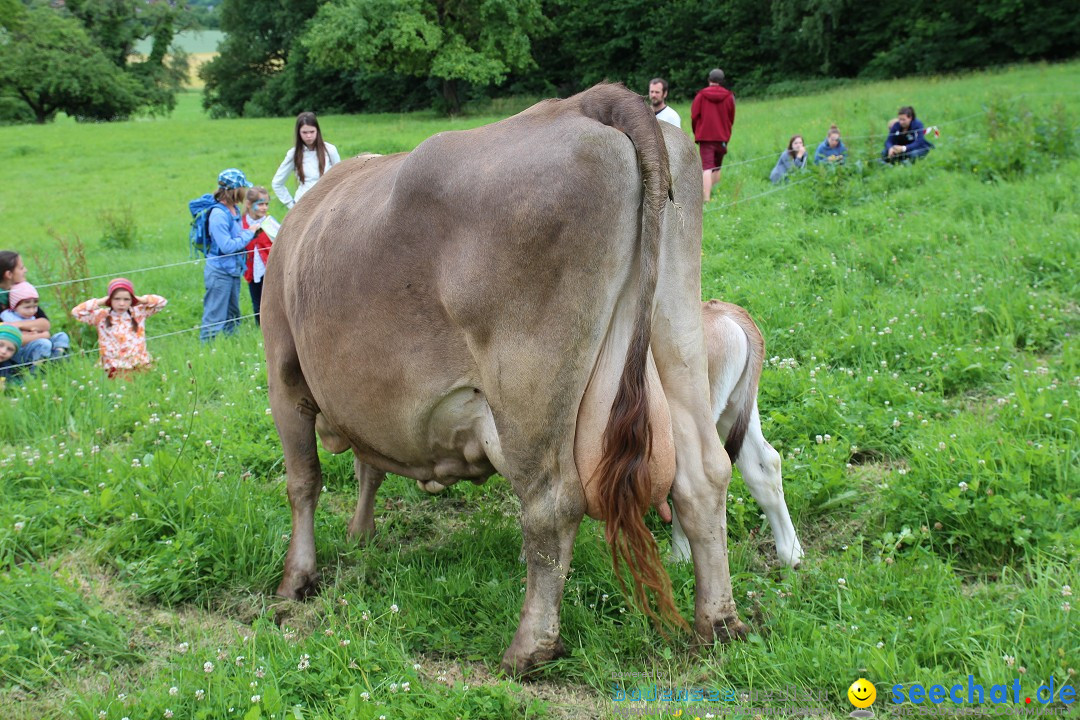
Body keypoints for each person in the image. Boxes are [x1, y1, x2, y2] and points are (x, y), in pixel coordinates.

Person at [201, 168, 262, 342]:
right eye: (243, 188)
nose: (246, 192)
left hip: (233, 270)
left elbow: (236, 237)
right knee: (214, 315)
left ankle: (232, 344)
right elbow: (227, 246)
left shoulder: (233, 210)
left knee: (233, 316)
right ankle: (207, 349)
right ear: (234, 190)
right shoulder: (218, 215)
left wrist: (251, 232)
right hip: (219, 272)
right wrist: (249, 233)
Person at [72, 278, 167, 379]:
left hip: (139, 362)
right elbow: (76, 312)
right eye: (116, 299)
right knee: (124, 390)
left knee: (143, 386)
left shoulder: (138, 312)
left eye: (126, 299)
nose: (121, 303)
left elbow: (162, 302)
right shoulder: (101, 316)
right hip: (115, 365)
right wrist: (100, 302)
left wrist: (141, 300)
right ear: (109, 300)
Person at [272, 111, 341, 210]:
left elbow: (340, 177)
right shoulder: (294, 154)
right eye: (304, 132)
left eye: (312, 132)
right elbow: (277, 183)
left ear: (317, 131)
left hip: (326, 205)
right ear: (298, 133)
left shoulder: (330, 150)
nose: (309, 136)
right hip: (303, 206)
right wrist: (291, 205)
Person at [691, 68, 736, 203]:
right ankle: (713, 192)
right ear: (722, 81)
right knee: (717, 167)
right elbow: (731, 117)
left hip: (705, 137)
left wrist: (696, 131)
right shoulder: (729, 97)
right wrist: (726, 132)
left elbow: (694, 116)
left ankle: (706, 198)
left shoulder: (701, 96)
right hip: (722, 137)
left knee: (707, 166)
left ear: (709, 80)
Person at [1, 281, 70, 368]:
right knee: (44, 343)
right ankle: (36, 369)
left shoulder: (32, 316)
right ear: (14, 306)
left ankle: (58, 357)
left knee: (61, 336)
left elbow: (45, 326)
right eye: (27, 307)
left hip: (39, 345)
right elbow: (13, 337)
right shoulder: (7, 316)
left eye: (35, 306)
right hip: (23, 351)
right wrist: (38, 333)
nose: (32, 311)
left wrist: (31, 332)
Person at [242, 186, 278, 325]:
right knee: (257, 302)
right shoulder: (241, 223)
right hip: (252, 270)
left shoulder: (269, 222)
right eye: (260, 204)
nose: (264, 208)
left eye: (266, 204)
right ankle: (260, 327)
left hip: (270, 269)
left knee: (272, 301)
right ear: (249, 204)